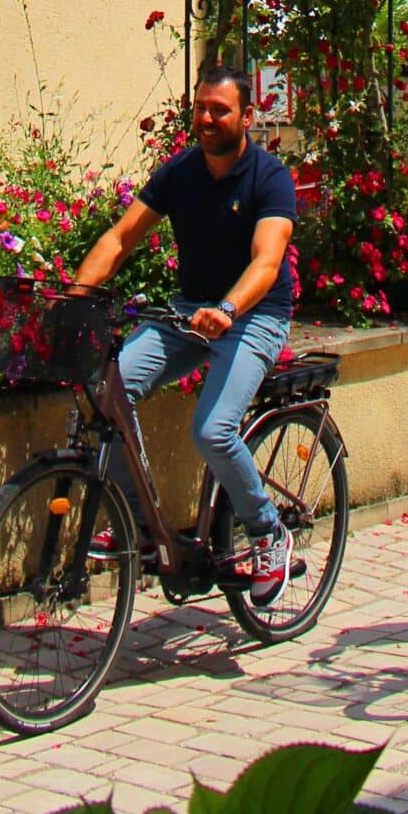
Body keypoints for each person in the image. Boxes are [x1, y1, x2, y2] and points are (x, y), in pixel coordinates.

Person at [69, 65, 298, 604]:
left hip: (255, 316)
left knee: (213, 431)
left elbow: (267, 262)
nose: (207, 119)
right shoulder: (180, 173)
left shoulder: (269, 178)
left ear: (247, 116)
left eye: (220, 110)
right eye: (201, 108)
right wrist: (73, 298)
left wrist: (228, 308)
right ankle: (139, 528)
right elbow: (121, 238)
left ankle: (268, 532)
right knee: (106, 391)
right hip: (190, 313)